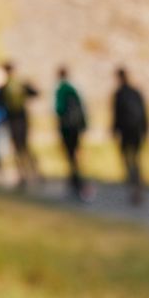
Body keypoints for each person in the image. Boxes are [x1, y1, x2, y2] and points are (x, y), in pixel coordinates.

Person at [0, 61, 41, 190]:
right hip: (23, 119)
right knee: (26, 146)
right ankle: (35, 172)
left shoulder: (3, 87)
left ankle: (22, 175)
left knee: (17, 148)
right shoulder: (21, 84)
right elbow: (36, 93)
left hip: (11, 120)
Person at [111, 67, 149, 204]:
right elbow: (144, 111)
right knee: (136, 158)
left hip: (125, 131)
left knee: (127, 158)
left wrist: (114, 130)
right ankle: (137, 183)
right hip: (136, 130)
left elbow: (115, 115)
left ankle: (133, 183)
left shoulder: (119, 94)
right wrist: (145, 128)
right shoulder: (135, 92)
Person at [54, 65, 91, 202]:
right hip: (76, 127)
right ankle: (77, 180)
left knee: (70, 155)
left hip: (67, 128)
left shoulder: (60, 90)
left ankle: (76, 181)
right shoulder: (74, 89)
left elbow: (59, 109)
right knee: (76, 153)